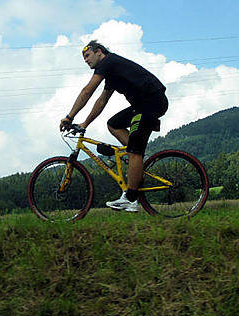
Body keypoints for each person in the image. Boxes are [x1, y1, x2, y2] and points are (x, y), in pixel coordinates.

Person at [59, 40, 168, 212]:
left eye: (87, 56)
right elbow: (101, 101)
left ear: (99, 52)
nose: (86, 60)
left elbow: (87, 91)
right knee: (114, 124)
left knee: (134, 151)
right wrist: (85, 123)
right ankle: (136, 158)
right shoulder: (112, 71)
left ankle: (131, 198)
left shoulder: (108, 62)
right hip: (143, 104)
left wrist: (69, 117)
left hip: (150, 101)